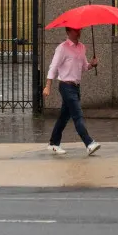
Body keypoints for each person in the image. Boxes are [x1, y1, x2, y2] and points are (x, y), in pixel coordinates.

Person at [43, 26, 101, 156]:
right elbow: (53, 66)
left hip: (75, 87)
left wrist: (92, 64)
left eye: (79, 29)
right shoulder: (62, 48)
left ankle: (53, 143)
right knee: (77, 115)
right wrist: (48, 85)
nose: (78, 32)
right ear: (68, 32)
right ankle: (89, 143)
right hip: (65, 86)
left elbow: (84, 67)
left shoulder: (81, 47)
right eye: (75, 30)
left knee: (64, 117)